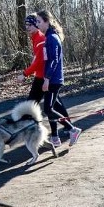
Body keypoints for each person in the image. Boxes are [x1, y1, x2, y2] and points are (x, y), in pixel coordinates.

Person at [36, 9, 81, 147]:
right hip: (52, 78)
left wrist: (47, 79)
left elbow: (54, 60)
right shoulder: (49, 37)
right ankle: (56, 138)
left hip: (53, 80)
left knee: (48, 109)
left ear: (47, 21)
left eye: (39, 21)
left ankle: (73, 129)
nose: (37, 25)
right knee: (53, 106)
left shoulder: (52, 38)